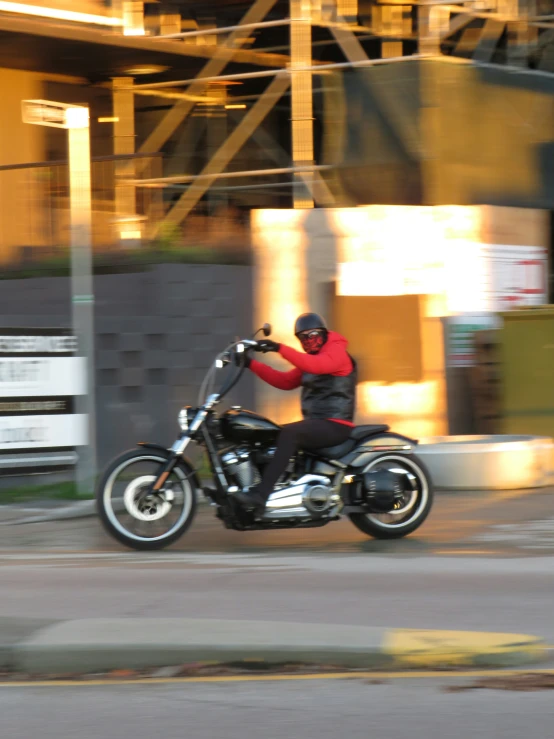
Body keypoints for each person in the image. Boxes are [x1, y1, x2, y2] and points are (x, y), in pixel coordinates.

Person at [234, 312, 357, 514]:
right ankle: (263, 489)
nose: (309, 340)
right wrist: (250, 363)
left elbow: (318, 366)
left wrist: (279, 348)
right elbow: (284, 381)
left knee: (290, 434)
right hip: (317, 423)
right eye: (303, 337)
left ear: (324, 333)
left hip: (336, 424)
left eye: (313, 334)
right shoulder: (310, 360)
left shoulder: (336, 353)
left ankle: (260, 496)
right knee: (269, 433)